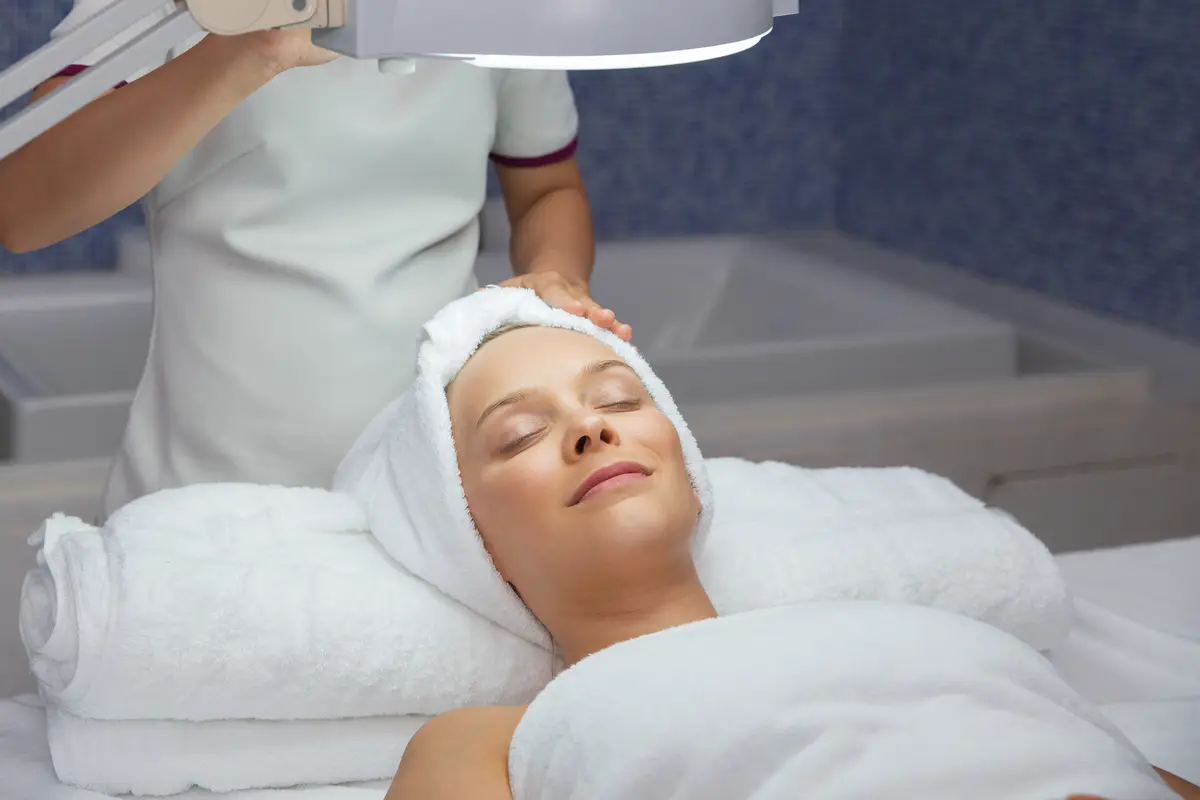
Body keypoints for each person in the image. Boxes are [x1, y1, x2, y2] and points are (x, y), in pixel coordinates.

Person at [379, 320, 1200, 800]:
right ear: (472, 539)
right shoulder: (494, 740)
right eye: (520, 435)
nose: (592, 430)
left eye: (620, 400)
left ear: (693, 481)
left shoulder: (905, 630)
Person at [0, 1, 630, 520]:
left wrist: (558, 276)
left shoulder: (495, 11)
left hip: (436, 494)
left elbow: (548, 188)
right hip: (205, 509)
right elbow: (23, 209)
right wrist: (247, 52)